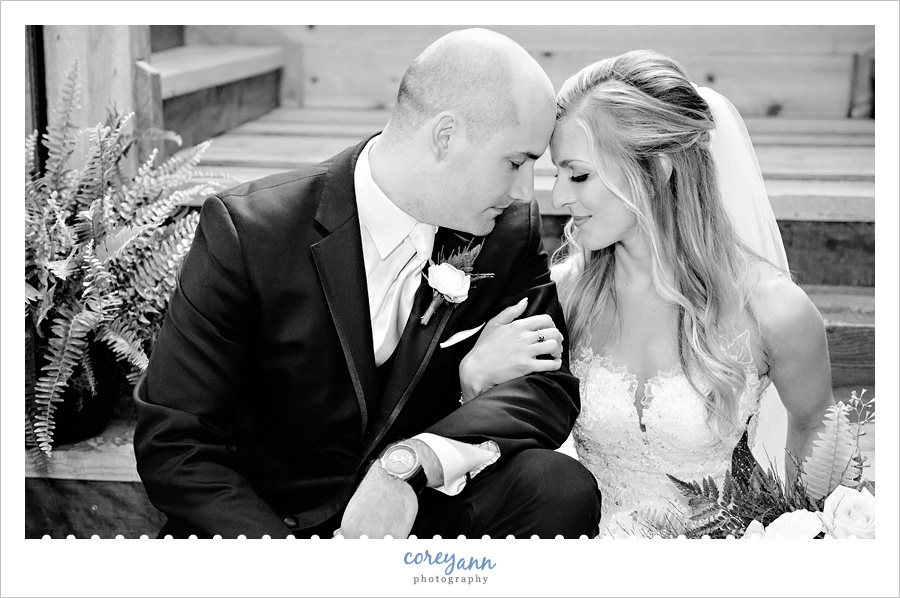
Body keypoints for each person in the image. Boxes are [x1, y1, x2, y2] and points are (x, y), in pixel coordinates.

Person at [133, 28, 602, 540]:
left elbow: (546, 388)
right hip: (268, 522)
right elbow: (176, 438)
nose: (521, 190)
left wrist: (411, 460)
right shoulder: (250, 233)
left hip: (417, 513)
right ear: (446, 137)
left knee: (556, 488)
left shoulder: (507, 232)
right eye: (516, 162)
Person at [460, 49, 834, 537]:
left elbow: (815, 441)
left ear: (657, 171)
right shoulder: (563, 296)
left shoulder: (773, 309)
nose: (558, 198)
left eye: (579, 174)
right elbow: (508, 449)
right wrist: (473, 383)